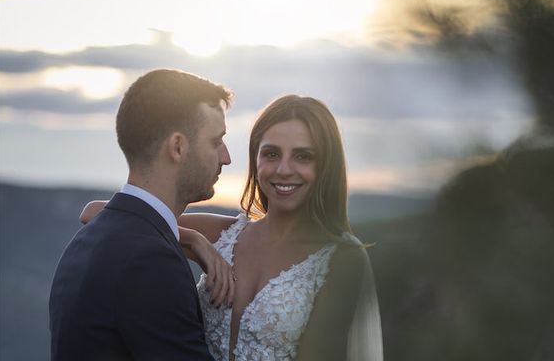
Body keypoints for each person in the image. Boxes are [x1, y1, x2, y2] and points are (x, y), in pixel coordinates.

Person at [82, 95, 383, 361]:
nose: (283, 169)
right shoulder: (219, 234)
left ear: (325, 166)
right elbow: (95, 214)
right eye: (271, 154)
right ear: (255, 158)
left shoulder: (341, 257)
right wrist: (194, 240)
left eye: (303, 156)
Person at [49, 68, 234, 360]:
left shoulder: (87, 240)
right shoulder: (150, 260)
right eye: (215, 142)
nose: (226, 157)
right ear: (177, 147)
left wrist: (191, 238)